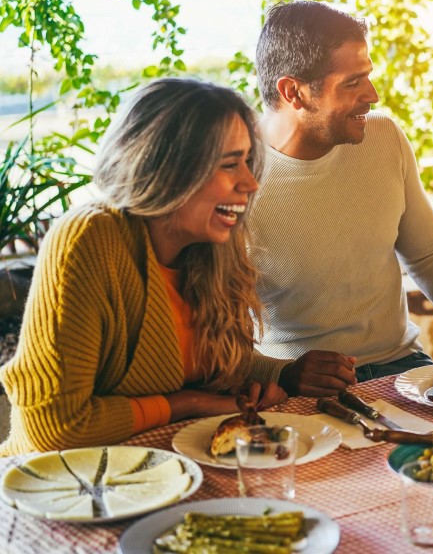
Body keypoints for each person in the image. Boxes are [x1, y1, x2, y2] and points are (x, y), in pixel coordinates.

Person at [249, 1, 433, 394]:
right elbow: (211, 334)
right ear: (294, 92)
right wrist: (278, 373)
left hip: (403, 366)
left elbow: (429, 253)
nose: (372, 94)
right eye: (352, 82)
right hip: (300, 386)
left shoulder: (384, 137)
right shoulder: (238, 176)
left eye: (367, 77)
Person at [0, 78, 292, 455]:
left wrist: (280, 374)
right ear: (167, 168)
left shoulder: (214, 249)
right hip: (57, 486)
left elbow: (204, 359)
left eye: (248, 162)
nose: (250, 183)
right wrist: (191, 403)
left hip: (164, 470)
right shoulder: (88, 239)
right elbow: (55, 428)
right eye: (230, 164)